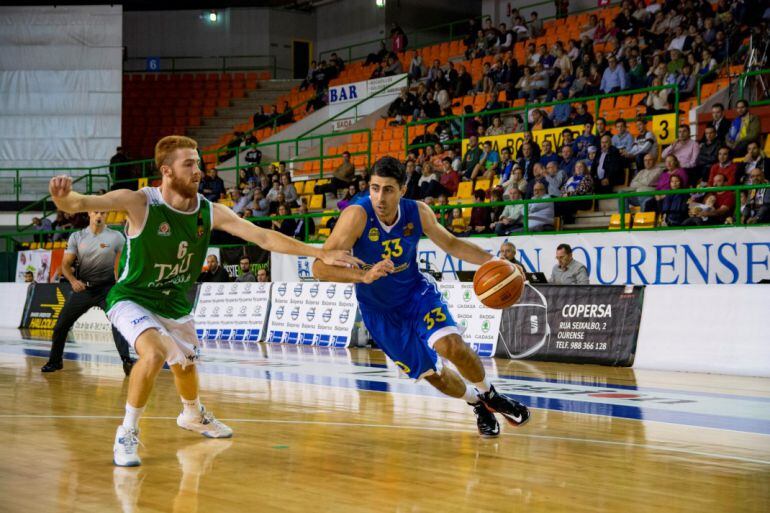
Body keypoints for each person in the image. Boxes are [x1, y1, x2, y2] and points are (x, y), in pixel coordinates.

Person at [47, 135, 360, 467]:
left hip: (174, 302)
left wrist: (320, 251)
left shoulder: (209, 211)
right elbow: (80, 203)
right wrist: (63, 198)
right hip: (131, 297)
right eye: (189, 164)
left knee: (185, 363)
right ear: (166, 171)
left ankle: (192, 414)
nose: (198, 170)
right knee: (153, 354)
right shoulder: (139, 202)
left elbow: (263, 236)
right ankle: (127, 431)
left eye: (198, 163)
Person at [312, 157, 530, 439]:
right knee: (433, 374)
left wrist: (496, 261)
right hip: (379, 312)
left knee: (450, 345)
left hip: (416, 293)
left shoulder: (418, 212)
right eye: (374, 188)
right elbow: (319, 267)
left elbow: (452, 243)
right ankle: (478, 404)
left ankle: (490, 393)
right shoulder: (356, 216)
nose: (379, 197)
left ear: (402, 189)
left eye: (388, 189)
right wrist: (362, 276)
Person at [40, 210, 135, 375]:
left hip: (107, 289)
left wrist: (120, 283)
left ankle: (126, 361)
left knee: (118, 323)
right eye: (96, 212)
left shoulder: (116, 237)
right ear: (90, 214)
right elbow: (65, 264)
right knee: (61, 325)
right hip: (83, 289)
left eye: (103, 213)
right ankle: (55, 361)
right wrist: (73, 281)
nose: (99, 215)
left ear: (106, 216)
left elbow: (124, 263)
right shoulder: (77, 237)